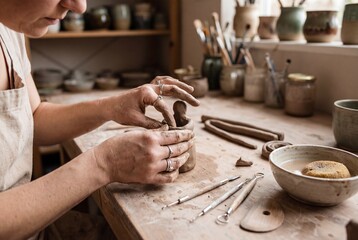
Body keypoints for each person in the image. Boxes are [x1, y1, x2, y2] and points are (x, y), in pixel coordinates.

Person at [0, 0, 200, 239]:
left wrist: (112, 106)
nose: (79, 7)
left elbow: (33, 118)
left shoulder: (10, 26)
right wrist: (103, 164)